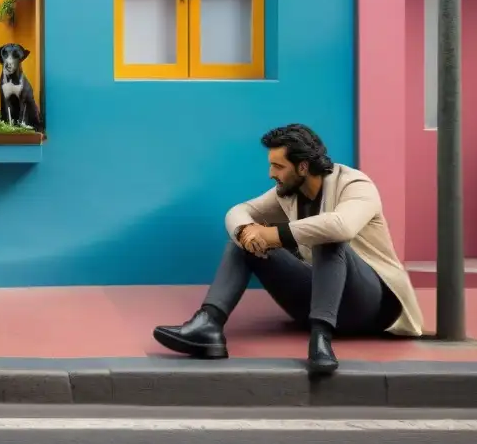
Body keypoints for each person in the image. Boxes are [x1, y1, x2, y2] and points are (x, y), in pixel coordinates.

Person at [152, 124, 423, 376]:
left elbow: (342, 226)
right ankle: (208, 325)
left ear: (303, 166)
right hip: (322, 297)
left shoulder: (355, 184)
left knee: (329, 237)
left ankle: (320, 341)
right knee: (242, 241)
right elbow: (239, 211)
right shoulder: (287, 192)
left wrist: (273, 234)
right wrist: (246, 232)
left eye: (278, 166)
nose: (271, 174)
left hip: (373, 306)